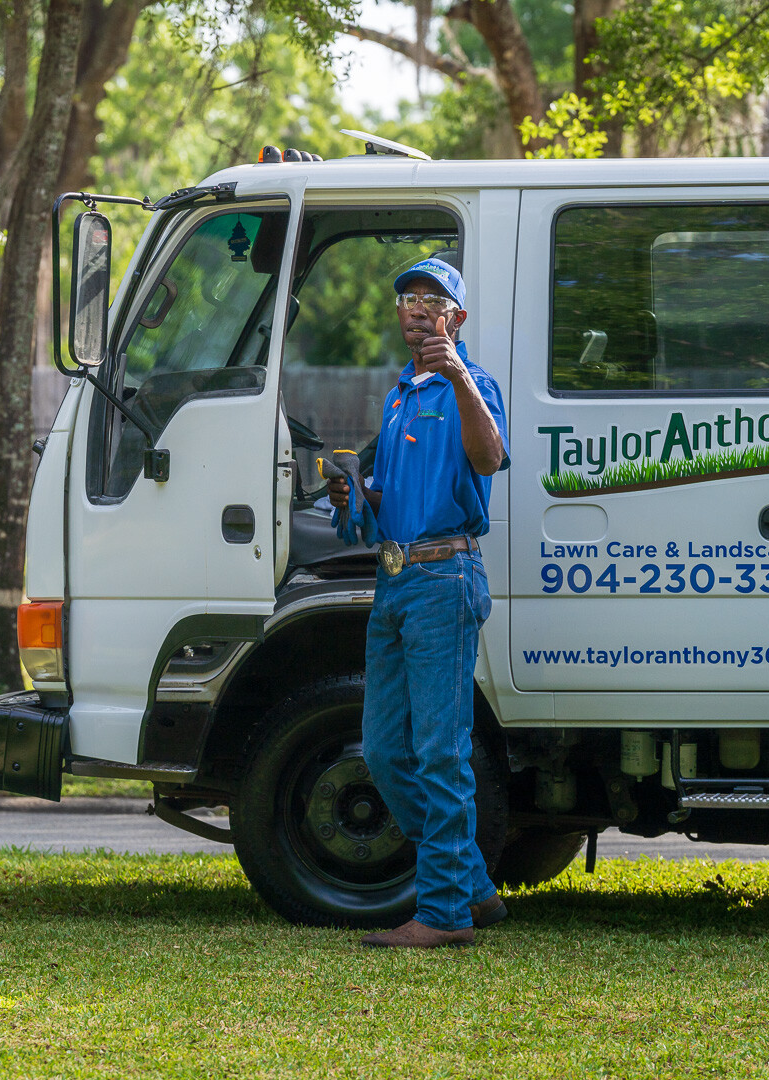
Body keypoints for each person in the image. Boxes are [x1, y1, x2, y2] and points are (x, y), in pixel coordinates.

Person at [326, 257, 510, 949]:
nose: (416, 308)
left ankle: (442, 915)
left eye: (432, 299)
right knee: (381, 747)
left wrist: (459, 373)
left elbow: (489, 459)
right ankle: (469, 885)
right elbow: (391, 502)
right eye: (407, 296)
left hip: (444, 582)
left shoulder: (474, 384)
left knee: (440, 752)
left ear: (456, 318)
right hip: (396, 580)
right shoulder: (399, 393)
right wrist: (357, 497)